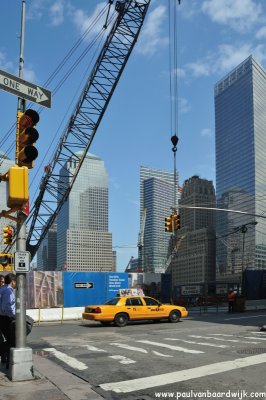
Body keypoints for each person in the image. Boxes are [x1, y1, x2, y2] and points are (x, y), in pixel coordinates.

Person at [0, 273, 16, 368]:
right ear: (12, 281)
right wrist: (14, 316)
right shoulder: (8, 291)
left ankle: (8, 364)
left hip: (2, 318)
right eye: (15, 282)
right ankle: (9, 363)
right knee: (12, 341)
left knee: (11, 341)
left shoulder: (2, 289)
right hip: (6, 318)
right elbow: (7, 306)